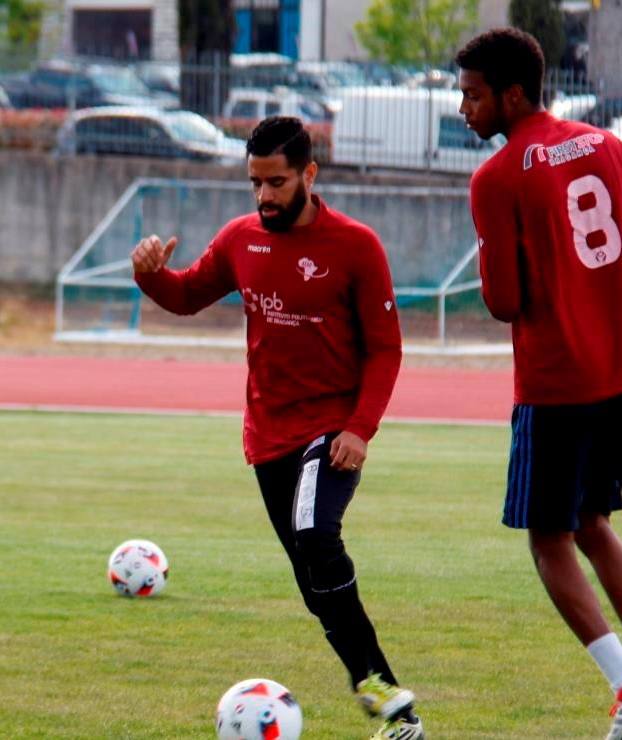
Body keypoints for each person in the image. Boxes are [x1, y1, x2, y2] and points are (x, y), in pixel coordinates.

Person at [130, 116, 423, 740]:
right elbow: (185, 296)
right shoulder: (241, 239)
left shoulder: (357, 246)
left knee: (316, 534)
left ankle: (388, 697)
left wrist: (360, 428)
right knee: (315, 587)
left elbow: (386, 349)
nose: (264, 196)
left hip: (331, 431)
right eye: (255, 183)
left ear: (309, 175)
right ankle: (389, 705)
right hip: (267, 437)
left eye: (277, 182)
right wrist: (150, 274)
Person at [455, 28, 622, 740]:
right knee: (593, 523)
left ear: (513, 95)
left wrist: (545, 267)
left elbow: (503, 301)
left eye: (472, 95)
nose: (464, 109)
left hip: (558, 380)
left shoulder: (496, 177)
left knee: (548, 539)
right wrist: (589, 273)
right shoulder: (605, 144)